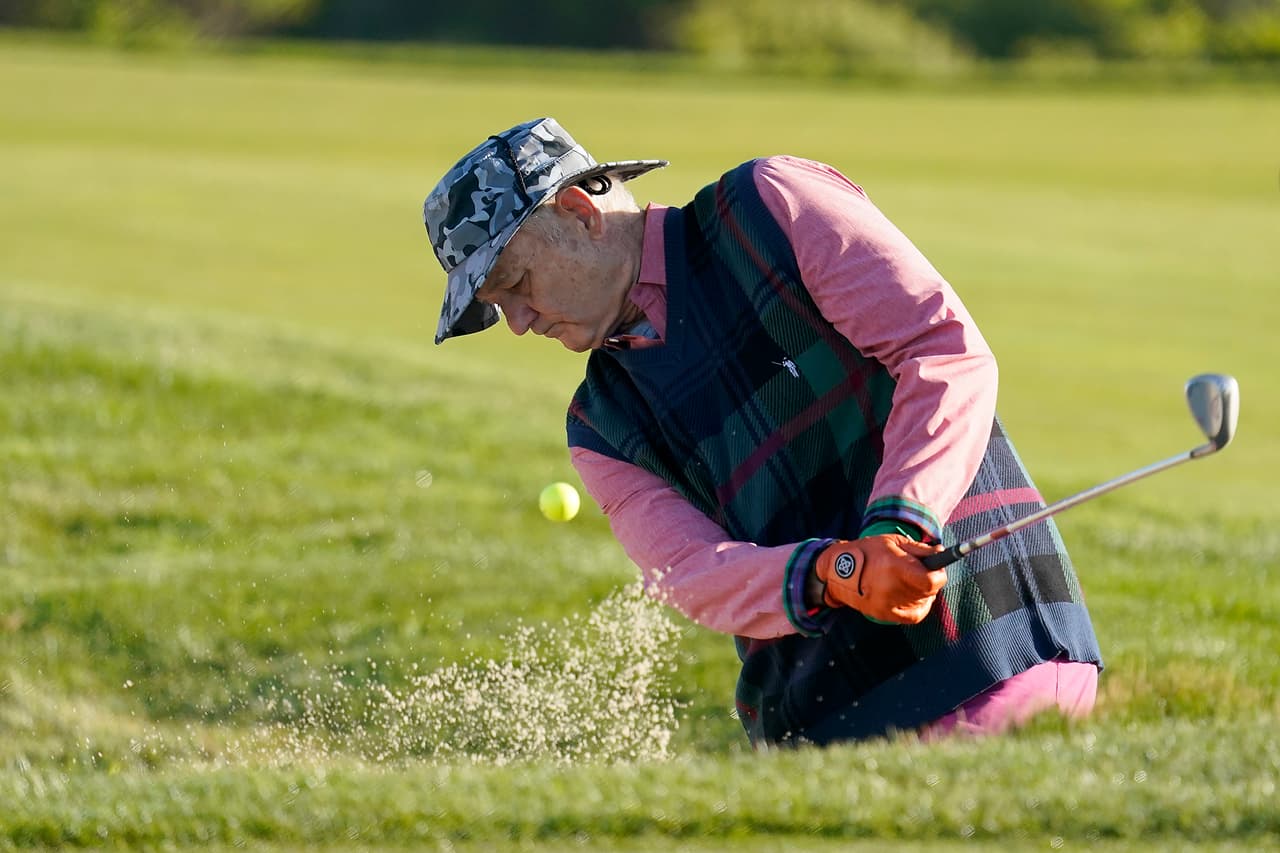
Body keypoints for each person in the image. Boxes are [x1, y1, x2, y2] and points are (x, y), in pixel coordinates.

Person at [422, 117, 1103, 748]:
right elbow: (690, 572)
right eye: (496, 307)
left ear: (580, 212)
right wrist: (835, 571)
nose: (516, 321)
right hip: (822, 726)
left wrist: (902, 522)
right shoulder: (600, 425)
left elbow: (941, 353)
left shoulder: (770, 206)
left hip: (987, 643)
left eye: (516, 282)